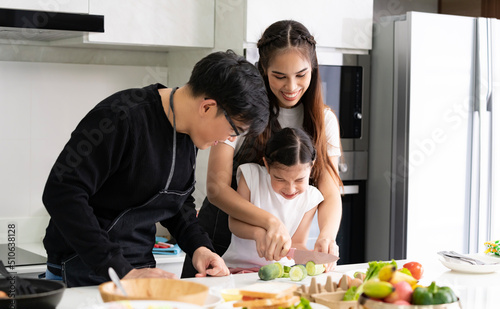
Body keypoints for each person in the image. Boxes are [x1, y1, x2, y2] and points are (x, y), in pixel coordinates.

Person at [42, 50, 270, 287]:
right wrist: (119, 269)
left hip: (138, 270)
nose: (228, 139)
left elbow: (177, 201)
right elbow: (62, 191)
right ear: (207, 108)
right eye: (234, 131)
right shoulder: (120, 117)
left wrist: (199, 247)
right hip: (84, 269)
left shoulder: (189, 133)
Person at [181, 20, 342, 277]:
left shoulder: (324, 120)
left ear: (313, 68)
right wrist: (269, 223)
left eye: (301, 75)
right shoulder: (241, 109)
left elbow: (331, 191)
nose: (291, 87)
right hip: (218, 242)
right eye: (279, 76)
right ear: (264, 69)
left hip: (276, 258)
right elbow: (216, 188)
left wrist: (327, 235)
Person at [222, 128, 324, 269]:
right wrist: (258, 234)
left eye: (300, 180)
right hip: (237, 267)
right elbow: (234, 222)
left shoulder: (311, 197)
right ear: (267, 165)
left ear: (311, 166)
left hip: (279, 272)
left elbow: (297, 243)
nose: (290, 189)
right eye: (279, 179)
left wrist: (314, 257)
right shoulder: (251, 176)